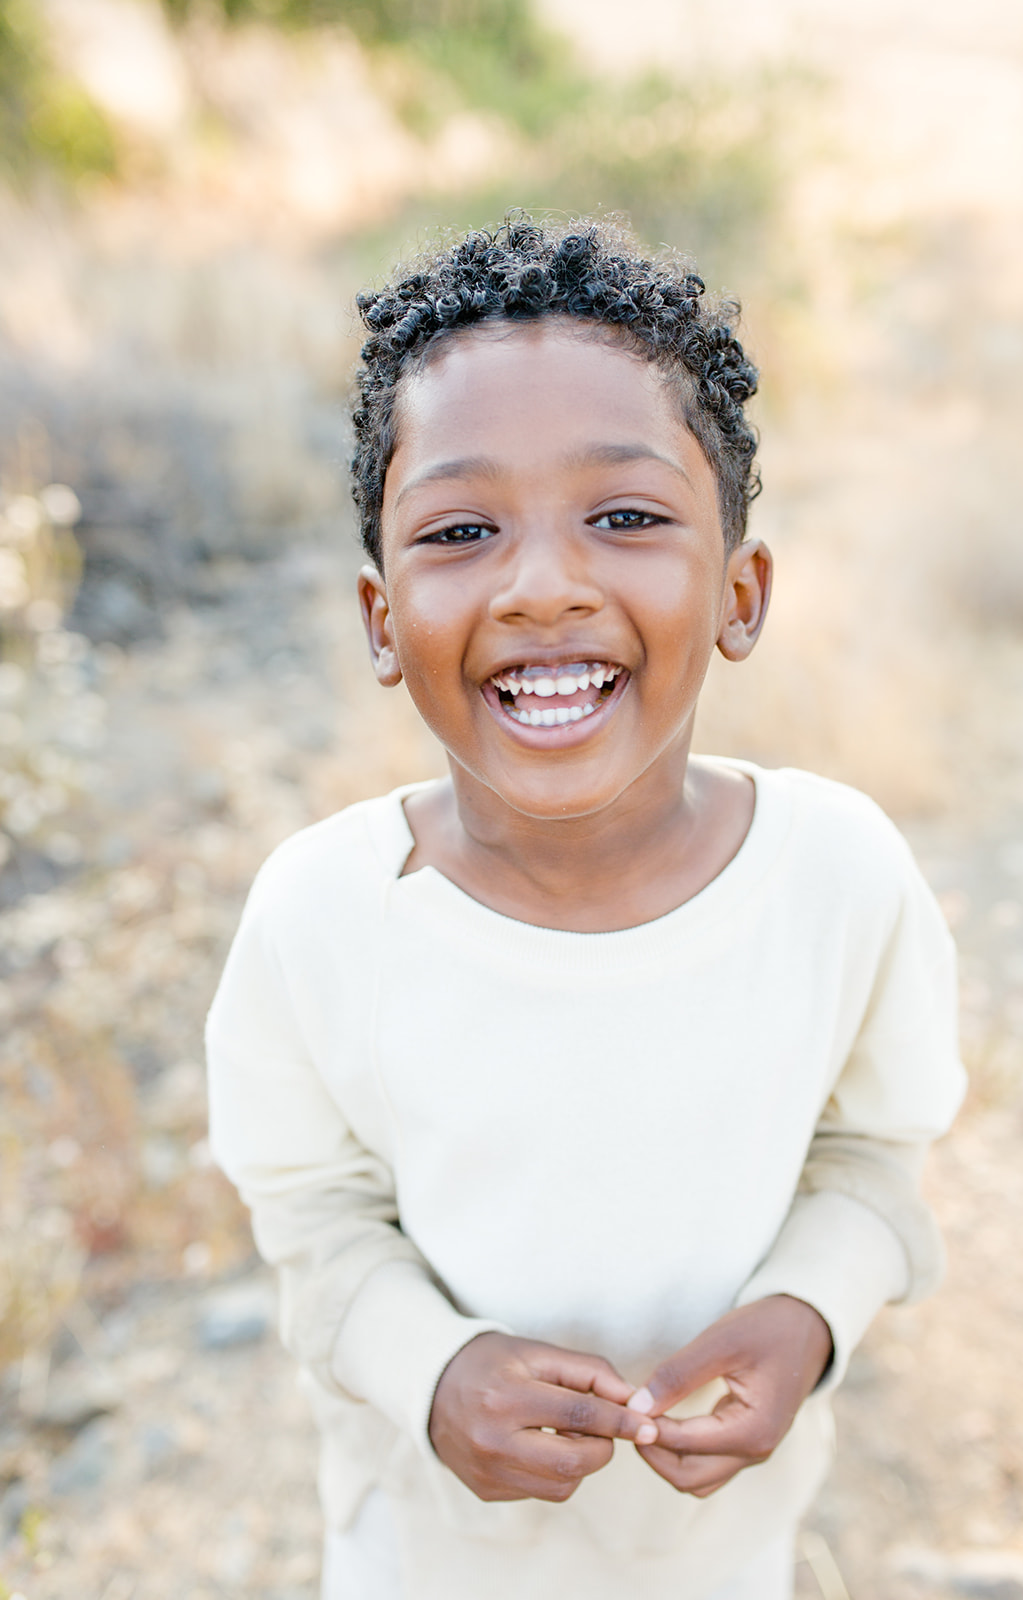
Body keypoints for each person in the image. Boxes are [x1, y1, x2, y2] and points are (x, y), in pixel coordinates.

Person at [206, 215, 966, 1600]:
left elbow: (874, 1164)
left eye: (623, 516)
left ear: (740, 591)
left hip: (725, 1563)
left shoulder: (839, 878)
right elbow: (312, 1224)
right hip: (424, 1565)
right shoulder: (323, 916)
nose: (544, 583)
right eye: (459, 529)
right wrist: (426, 1370)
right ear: (381, 619)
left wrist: (811, 1312)